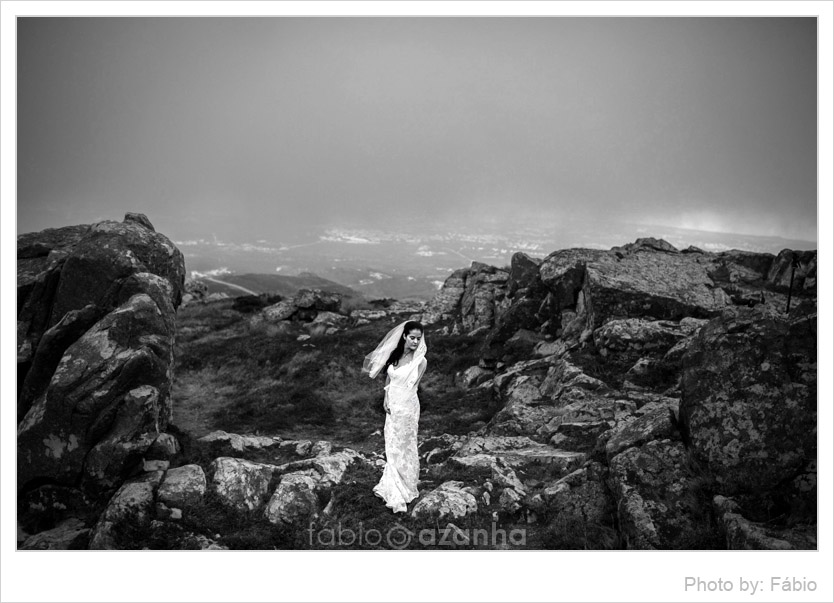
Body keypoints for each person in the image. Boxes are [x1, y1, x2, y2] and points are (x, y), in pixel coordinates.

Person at [362, 320, 427, 513]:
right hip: (392, 404)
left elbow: (414, 386)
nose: (415, 342)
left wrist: (404, 407)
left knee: (405, 445)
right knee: (391, 444)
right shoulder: (394, 355)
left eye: (419, 339)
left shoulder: (421, 361)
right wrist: (386, 397)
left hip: (407, 407)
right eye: (412, 338)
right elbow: (389, 377)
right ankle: (391, 482)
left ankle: (406, 485)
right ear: (405, 336)